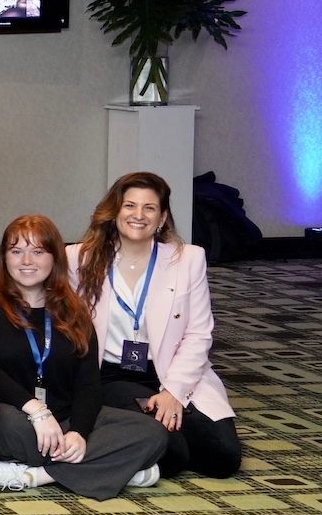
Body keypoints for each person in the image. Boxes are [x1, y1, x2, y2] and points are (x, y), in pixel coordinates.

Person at [0, 216, 169, 498]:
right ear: (3, 258)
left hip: (63, 418)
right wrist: (36, 410)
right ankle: (115, 467)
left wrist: (79, 433)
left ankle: (36, 476)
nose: (26, 261)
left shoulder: (73, 310)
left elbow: (89, 385)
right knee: (8, 427)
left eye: (38, 252)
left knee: (152, 433)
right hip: (12, 413)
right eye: (16, 251)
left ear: (54, 257)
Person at [69, 173, 240, 478]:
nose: (138, 215)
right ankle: (145, 451)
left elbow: (199, 334)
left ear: (162, 218)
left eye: (149, 208)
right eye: (130, 205)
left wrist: (173, 392)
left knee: (223, 458)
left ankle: (133, 453)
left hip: (173, 372)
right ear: (114, 211)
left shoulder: (188, 260)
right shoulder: (80, 259)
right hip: (110, 376)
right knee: (173, 449)